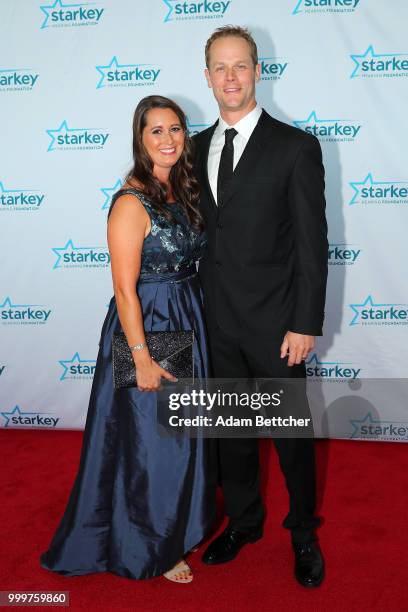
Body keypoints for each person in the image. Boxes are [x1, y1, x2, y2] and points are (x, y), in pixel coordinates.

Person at [40, 95, 215, 584]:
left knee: (179, 433)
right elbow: (123, 288)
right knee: (153, 439)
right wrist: (140, 357)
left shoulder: (182, 188)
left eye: (175, 129)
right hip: (150, 320)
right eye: (155, 131)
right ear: (140, 139)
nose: (168, 139)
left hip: (187, 312)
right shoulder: (131, 201)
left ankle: (174, 527)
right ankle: (152, 545)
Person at [193, 26, 328, 587]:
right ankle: (244, 522)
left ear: (257, 70)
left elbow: (311, 244)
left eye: (240, 66)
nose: (230, 77)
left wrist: (304, 322)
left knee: (291, 437)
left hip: (277, 325)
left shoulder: (295, 146)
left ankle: (302, 532)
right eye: (219, 67)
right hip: (214, 323)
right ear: (206, 76)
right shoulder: (194, 147)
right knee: (232, 436)